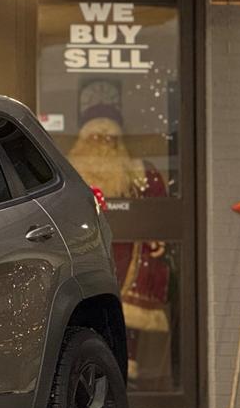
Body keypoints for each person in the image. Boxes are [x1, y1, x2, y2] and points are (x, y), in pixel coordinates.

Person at [67, 116, 172, 390]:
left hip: (130, 254)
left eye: (109, 140)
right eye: (95, 139)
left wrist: (156, 238)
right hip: (85, 252)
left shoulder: (140, 173)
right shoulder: (68, 171)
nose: (103, 146)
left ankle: (125, 371)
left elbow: (159, 210)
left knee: (124, 313)